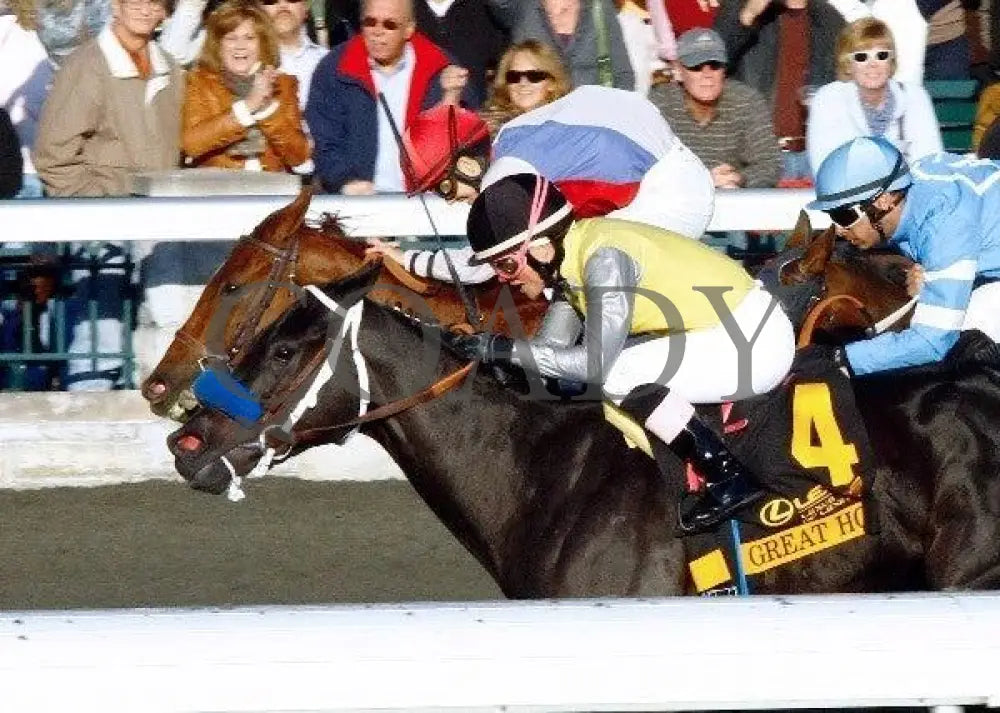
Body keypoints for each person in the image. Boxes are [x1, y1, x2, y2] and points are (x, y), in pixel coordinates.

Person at [444, 173, 796, 532]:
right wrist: (503, 361)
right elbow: (548, 352)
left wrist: (503, 349)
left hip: (755, 341)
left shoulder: (604, 260)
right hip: (726, 330)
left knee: (617, 372)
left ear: (540, 248)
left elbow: (593, 366)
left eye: (506, 265)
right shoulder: (575, 260)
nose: (505, 279)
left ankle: (726, 474)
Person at [369, 85, 715, 283]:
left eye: (442, 187)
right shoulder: (507, 137)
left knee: (570, 276)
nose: (445, 200)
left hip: (670, 200)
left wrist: (407, 259)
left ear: (466, 164)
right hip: (674, 165)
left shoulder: (505, 176)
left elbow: (481, 268)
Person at [33, 0, 183, 391]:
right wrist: (99, 211)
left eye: (157, 3)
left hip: (160, 229)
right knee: (99, 343)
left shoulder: (171, 67)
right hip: (103, 233)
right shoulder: (86, 66)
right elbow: (53, 157)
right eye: (136, 0)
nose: (146, 9)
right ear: (115, 6)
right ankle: (82, 437)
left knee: (158, 338)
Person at [807, 136, 1000, 376]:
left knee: (974, 321)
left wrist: (841, 358)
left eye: (843, 216)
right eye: (831, 216)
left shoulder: (944, 219)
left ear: (883, 201)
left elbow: (933, 341)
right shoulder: (913, 191)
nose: (839, 229)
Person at [305, 0, 472, 194]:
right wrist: (344, 182)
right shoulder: (334, 69)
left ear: (409, 29)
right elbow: (324, 141)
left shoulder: (441, 68)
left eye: (389, 25)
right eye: (370, 22)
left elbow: (467, 141)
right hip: (354, 201)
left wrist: (451, 97)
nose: (378, 31)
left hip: (425, 203)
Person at [182, 0, 312, 173]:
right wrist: (248, 106)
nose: (240, 46)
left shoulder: (283, 84)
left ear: (262, 44)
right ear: (218, 45)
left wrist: (267, 111)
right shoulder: (200, 82)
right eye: (231, 38)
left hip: (273, 189)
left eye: (249, 38)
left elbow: (299, 157)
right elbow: (192, 144)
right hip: (219, 188)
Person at [807, 18, 941, 176]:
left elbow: (931, 164)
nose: (873, 64)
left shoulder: (915, 97)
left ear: (891, 61)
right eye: (862, 57)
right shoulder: (828, 99)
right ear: (848, 64)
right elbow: (827, 171)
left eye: (881, 55)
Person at [650, 27, 780, 190]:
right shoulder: (659, 105)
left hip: (734, 201)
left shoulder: (747, 101)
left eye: (715, 65)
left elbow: (770, 163)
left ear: (724, 69)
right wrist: (701, 182)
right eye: (696, 66)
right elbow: (644, 170)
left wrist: (739, 178)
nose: (707, 74)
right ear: (678, 70)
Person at [487, 0, 635, 90]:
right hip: (536, 119)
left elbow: (622, 73)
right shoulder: (521, 6)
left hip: (590, 120)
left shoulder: (599, 6)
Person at [413, 0, 509, 108]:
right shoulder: (401, 9)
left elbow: (507, 69)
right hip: (412, 118)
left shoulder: (489, 11)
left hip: (473, 115)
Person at [479, 39, 572, 136]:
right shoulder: (483, 130)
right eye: (514, 76)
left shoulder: (570, 125)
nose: (523, 83)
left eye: (534, 76)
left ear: (552, 83)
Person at [262, 0, 329, 111]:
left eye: (291, 0)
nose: (282, 6)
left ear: (305, 7)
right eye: (272, 1)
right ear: (259, 10)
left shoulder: (329, 61)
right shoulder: (244, 62)